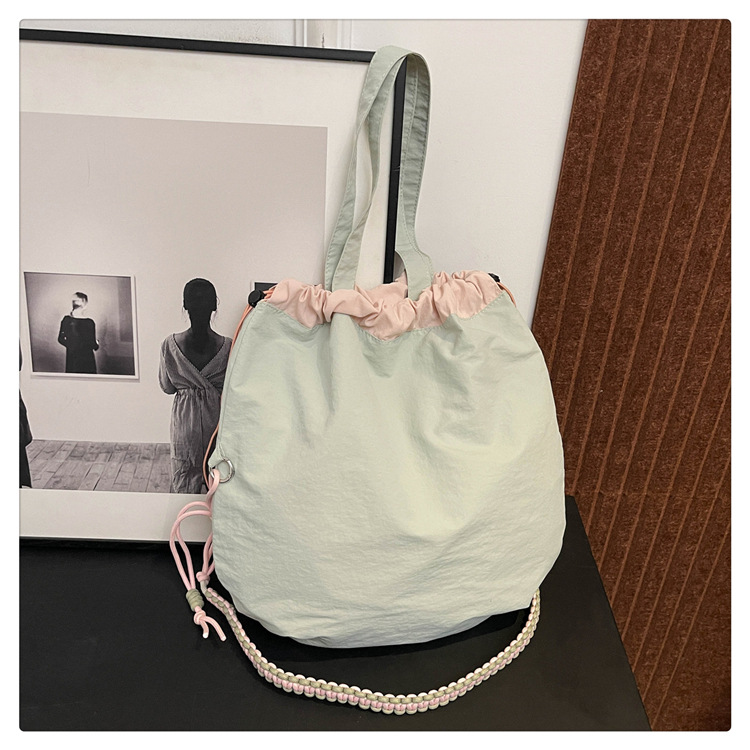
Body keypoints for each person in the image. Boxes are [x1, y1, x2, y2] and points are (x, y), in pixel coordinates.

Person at [159, 279, 231, 494]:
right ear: (214, 306)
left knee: (184, 479)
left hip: (185, 424)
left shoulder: (170, 345)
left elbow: (167, 387)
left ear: (185, 305)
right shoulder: (228, 346)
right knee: (217, 480)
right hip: (216, 422)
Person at [57, 292, 99, 374]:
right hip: (87, 360)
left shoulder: (66, 320)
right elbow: (93, 345)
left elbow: (60, 339)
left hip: (72, 360)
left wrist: (72, 345)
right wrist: (97, 343)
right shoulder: (90, 323)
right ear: (85, 305)